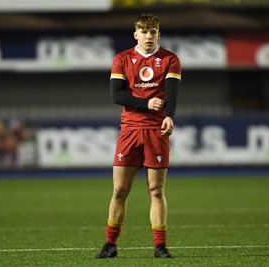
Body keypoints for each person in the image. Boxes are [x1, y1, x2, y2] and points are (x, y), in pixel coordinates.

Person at [96, 13, 181, 259]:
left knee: (156, 190)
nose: (148, 36)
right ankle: (110, 244)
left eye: (153, 32)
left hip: (157, 131)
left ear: (158, 35)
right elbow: (117, 96)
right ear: (136, 34)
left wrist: (169, 115)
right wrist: (146, 103)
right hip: (130, 130)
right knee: (120, 190)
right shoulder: (122, 59)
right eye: (143, 32)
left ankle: (160, 246)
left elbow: (172, 94)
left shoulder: (170, 59)